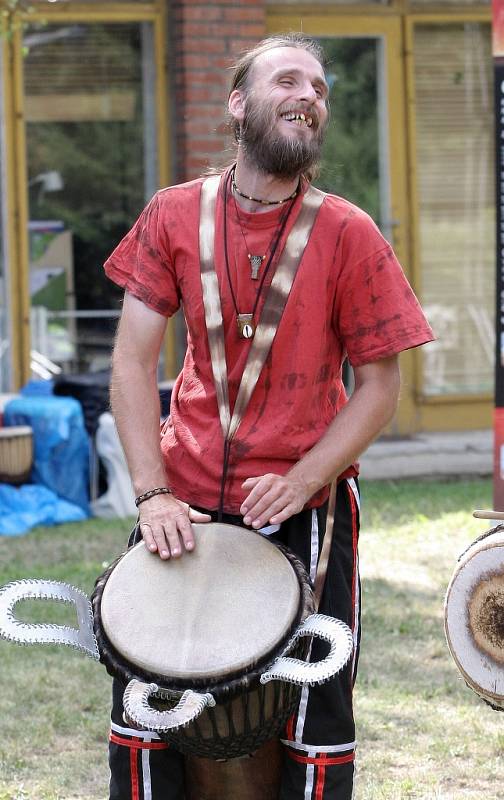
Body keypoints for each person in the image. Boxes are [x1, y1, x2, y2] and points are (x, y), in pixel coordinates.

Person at [104, 32, 434, 800]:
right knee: (145, 713)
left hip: (305, 511)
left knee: (314, 718)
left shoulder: (350, 232)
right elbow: (130, 364)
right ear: (239, 104)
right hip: (178, 504)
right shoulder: (174, 214)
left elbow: (379, 385)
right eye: (288, 80)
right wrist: (152, 493)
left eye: (320, 88)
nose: (309, 96)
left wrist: (306, 476)